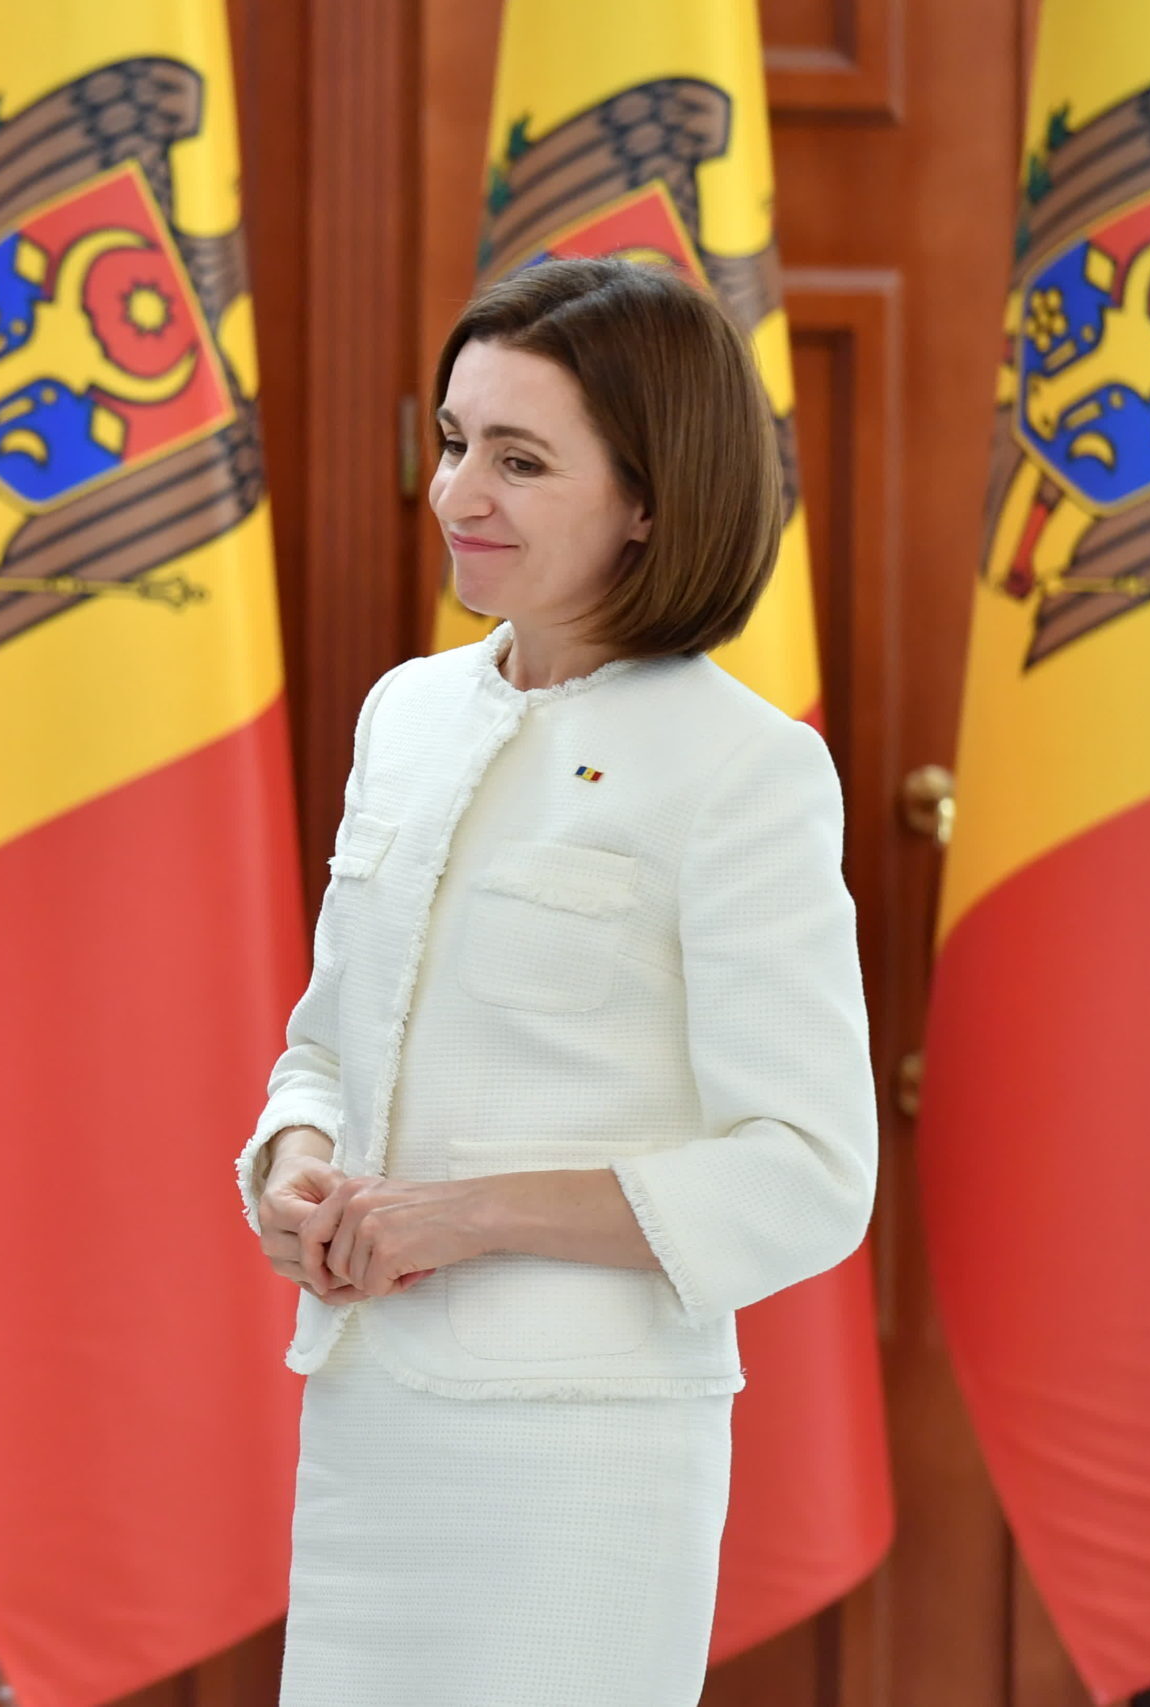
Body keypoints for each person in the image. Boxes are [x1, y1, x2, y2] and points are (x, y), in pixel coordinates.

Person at [238, 256, 878, 1705]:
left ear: (649, 499)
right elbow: (326, 1044)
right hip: (367, 1430)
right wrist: (295, 1160)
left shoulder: (748, 768)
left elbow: (808, 1174)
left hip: (585, 1461)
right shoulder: (408, 714)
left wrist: (463, 1216)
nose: (459, 493)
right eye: (454, 441)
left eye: (520, 461)